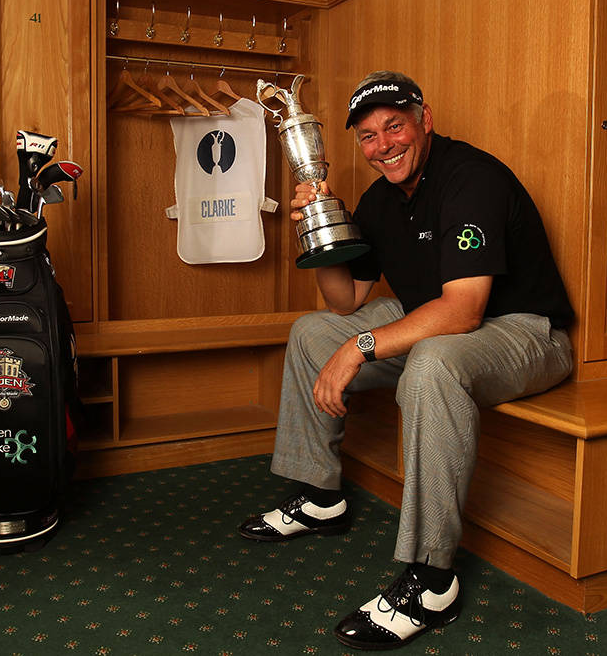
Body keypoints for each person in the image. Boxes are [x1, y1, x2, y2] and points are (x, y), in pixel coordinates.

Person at [238, 70, 574, 650]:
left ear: (425, 120)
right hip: (439, 322)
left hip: (524, 332)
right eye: (368, 136)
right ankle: (320, 496)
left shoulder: (472, 178)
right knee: (313, 331)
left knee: (432, 363)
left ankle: (432, 577)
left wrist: (361, 347)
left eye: (394, 126)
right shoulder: (379, 199)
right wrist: (322, 232)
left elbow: (464, 311)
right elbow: (345, 300)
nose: (383, 145)